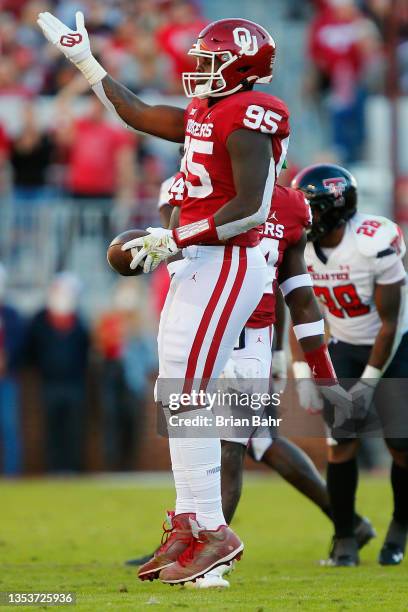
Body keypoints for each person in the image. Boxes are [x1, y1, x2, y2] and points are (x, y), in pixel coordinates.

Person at [37, 12, 347, 584]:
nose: (198, 68)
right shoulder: (208, 110)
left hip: (229, 259)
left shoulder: (252, 114)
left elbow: (252, 209)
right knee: (174, 391)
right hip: (198, 260)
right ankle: (188, 522)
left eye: (211, 59)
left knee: (191, 396)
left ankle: (211, 530)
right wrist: (84, 59)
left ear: (243, 66)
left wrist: (170, 236)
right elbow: (134, 111)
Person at [291, 163, 408, 567]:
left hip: (394, 347)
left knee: (402, 446)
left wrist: (370, 382)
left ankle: (398, 529)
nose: (308, 218)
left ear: (337, 207)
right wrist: (302, 371)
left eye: (314, 209)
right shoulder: (300, 246)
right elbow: (297, 308)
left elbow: (390, 322)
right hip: (341, 345)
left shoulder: (373, 241)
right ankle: (344, 537)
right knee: (340, 445)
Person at [25, 272, 89, 472]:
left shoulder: (78, 321)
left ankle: (72, 469)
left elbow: (84, 350)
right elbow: (31, 350)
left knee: (73, 430)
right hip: (49, 384)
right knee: (52, 430)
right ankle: (53, 469)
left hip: (74, 384)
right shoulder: (40, 320)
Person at [0, 264, 25, 475]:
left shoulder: (12, 315)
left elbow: (17, 343)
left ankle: (11, 474)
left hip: (6, 379)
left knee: (9, 428)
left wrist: (6, 356)